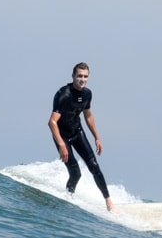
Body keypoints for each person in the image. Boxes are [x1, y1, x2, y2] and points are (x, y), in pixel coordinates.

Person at [48, 62, 114, 210]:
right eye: (79, 76)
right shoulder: (64, 94)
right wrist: (61, 144)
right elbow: (52, 122)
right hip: (62, 136)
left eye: (85, 77)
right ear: (73, 76)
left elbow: (88, 116)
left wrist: (97, 137)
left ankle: (109, 202)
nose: (82, 79)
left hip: (77, 132)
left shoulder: (87, 94)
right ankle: (68, 199)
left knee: (94, 166)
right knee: (75, 173)